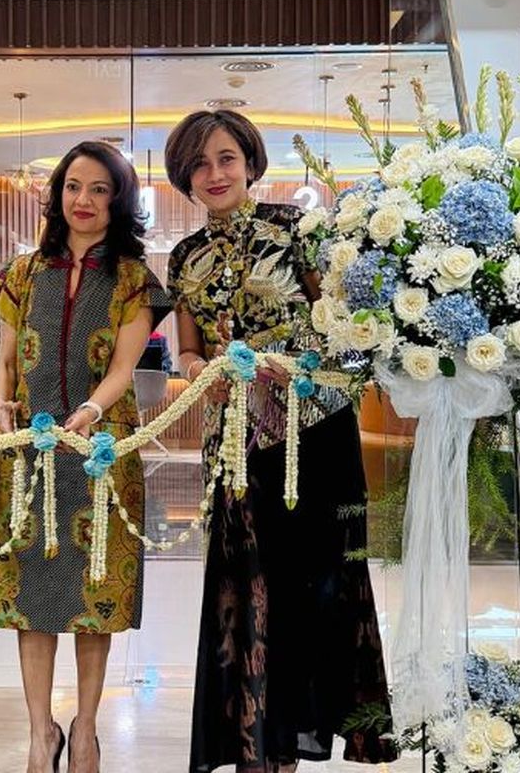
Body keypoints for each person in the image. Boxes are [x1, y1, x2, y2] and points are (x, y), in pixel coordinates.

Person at [162, 110, 397, 772]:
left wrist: (291, 362)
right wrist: (196, 372)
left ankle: (298, 736)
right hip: (237, 446)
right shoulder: (184, 258)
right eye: (200, 164)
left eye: (227, 158)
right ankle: (261, 751)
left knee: (314, 592)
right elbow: (187, 347)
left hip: (314, 437)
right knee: (251, 594)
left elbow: (340, 327)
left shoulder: (296, 231)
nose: (215, 174)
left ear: (250, 163)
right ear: (185, 176)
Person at [0, 141, 171, 773]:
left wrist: (89, 412)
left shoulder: (133, 278)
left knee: (96, 593)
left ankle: (86, 731)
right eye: (73, 186)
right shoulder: (20, 272)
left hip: (101, 451)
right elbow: (4, 357)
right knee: (31, 595)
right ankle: (43, 733)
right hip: (30, 453)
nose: (83, 201)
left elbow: (124, 368)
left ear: (118, 201)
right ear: (56, 194)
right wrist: (1, 405)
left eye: (99, 189)